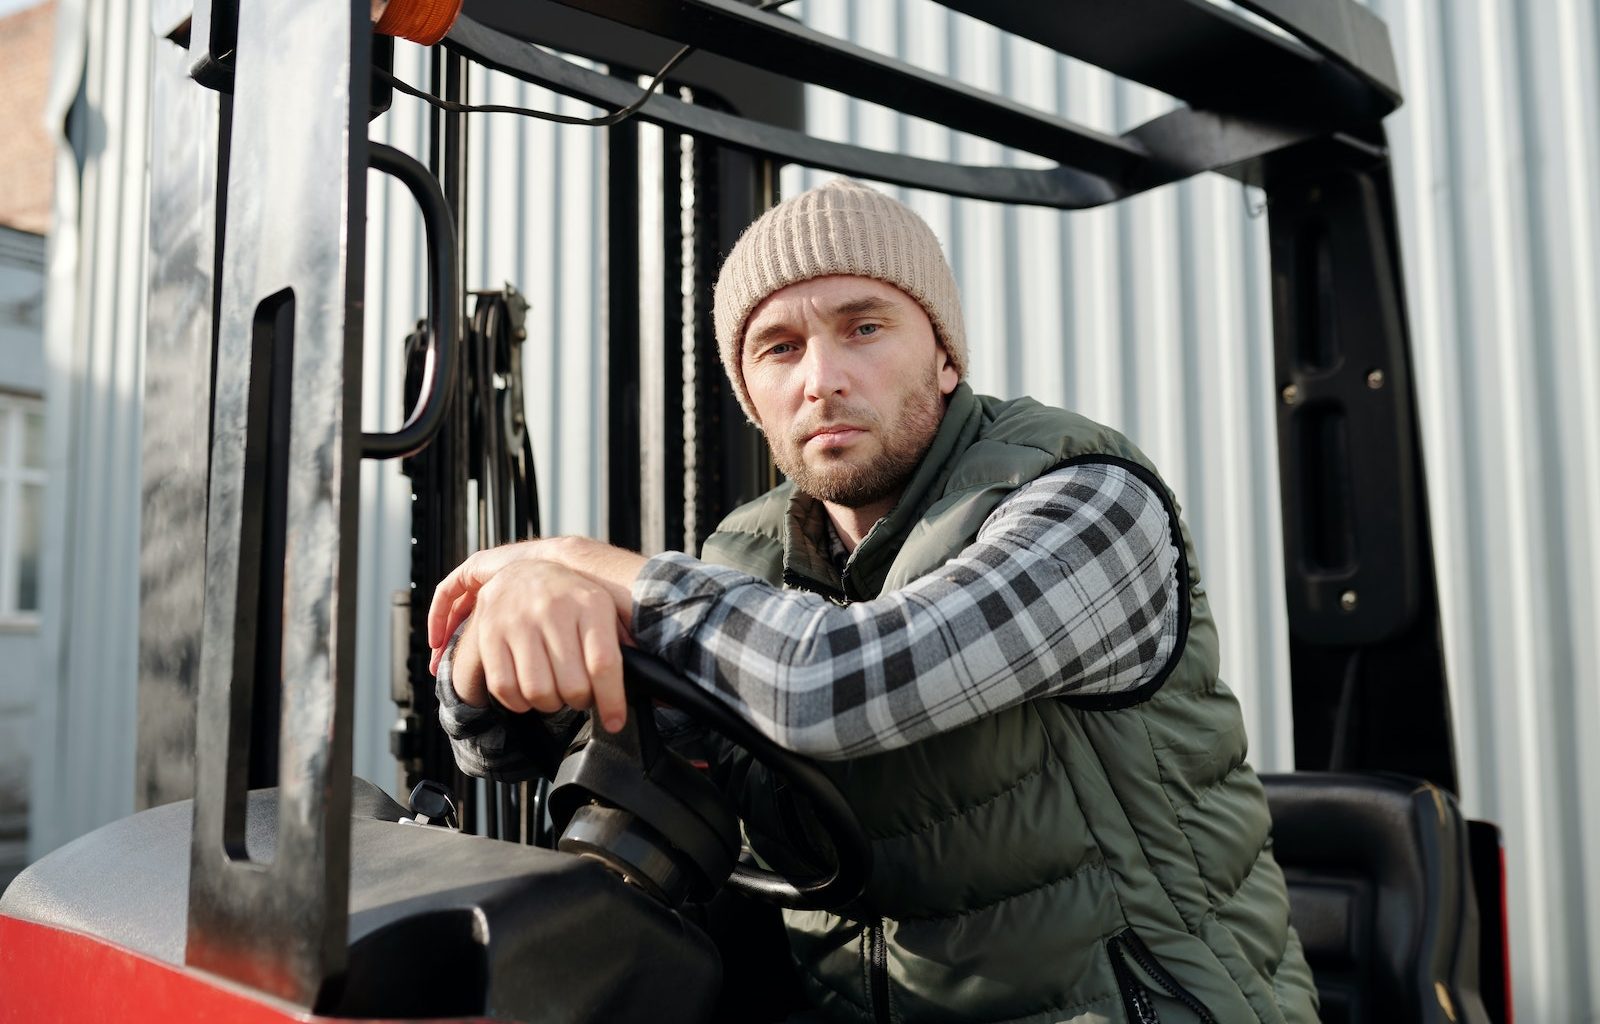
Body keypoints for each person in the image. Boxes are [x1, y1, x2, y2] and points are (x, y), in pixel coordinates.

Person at [428, 178, 1319, 1024]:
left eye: (863, 327)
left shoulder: (1087, 503)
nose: (821, 378)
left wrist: (590, 564)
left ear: (943, 358)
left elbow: (837, 684)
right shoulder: (744, 555)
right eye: (779, 347)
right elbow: (533, 749)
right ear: (752, 398)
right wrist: (508, 633)